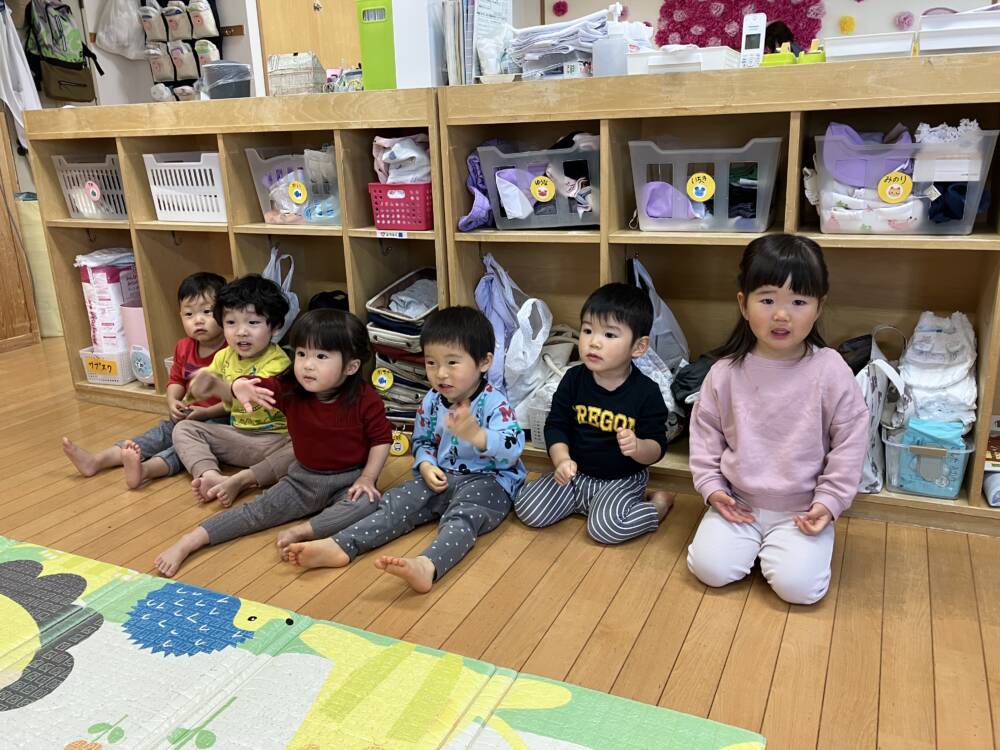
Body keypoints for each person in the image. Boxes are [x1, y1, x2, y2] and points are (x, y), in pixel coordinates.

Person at [285, 306, 525, 594]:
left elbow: (512, 449)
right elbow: (422, 442)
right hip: (441, 476)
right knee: (395, 502)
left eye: (452, 362)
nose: (441, 373)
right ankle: (341, 544)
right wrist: (425, 465)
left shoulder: (496, 404)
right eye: (431, 363)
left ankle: (428, 565)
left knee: (463, 517)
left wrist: (477, 435)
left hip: (490, 482)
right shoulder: (431, 401)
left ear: (484, 362)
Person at [686, 234, 867, 605]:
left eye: (798, 301)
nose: (782, 315)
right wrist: (713, 489)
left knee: (799, 589)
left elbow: (850, 441)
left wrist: (829, 502)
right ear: (743, 304)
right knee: (709, 569)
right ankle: (756, 548)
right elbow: (705, 437)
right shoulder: (724, 372)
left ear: (819, 307)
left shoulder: (830, 369)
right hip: (738, 503)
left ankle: (789, 550)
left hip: (803, 509)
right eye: (767, 300)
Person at [154, 309, 393, 577]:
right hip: (302, 478)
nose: (307, 365)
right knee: (255, 511)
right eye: (301, 354)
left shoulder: (365, 399)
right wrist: (234, 386)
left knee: (367, 503)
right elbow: (257, 386)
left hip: (349, 479)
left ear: (351, 366)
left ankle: (305, 531)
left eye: (321, 356)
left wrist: (368, 478)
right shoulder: (290, 390)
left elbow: (381, 439)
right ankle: (190, 541)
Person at [514, 283, 673, 543]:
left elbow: (657, 447)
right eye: (588, 330)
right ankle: (584, 504)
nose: (594, 342)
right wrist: (562, 460)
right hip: (576, 475)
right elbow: (556, 426)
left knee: (605, 529)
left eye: (609, 335)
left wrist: (638, 446)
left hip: (621, 480)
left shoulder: (646, 392)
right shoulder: (573, 379)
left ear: (638, 346)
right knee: (527, 508)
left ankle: (657, 506)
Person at [61, 272, 228, 488]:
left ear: (224, 311)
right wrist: (172, 401)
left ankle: (146, 470)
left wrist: (206, 413)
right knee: (156, 435)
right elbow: (176, 380)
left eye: (207, 312)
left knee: (185, 446)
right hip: (188, 415)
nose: (198, 320)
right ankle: (97, 460)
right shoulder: (184, 347)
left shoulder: (231, 350)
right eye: (189, 314)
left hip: (220, 421)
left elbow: (235, 399)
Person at [171, 274, 294, 505]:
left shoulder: (279, 361)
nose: (241, 332)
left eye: (253, 323)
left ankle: (243, 480)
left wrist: (225, 386)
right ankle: (210, 475)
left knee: (301, 450)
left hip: (275, 441)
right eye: (231, 323)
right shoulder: (224, 356)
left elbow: (253, 391)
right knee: (184, 429)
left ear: (275, 327)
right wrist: (198, 392)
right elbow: (203, 387)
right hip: (238, 436)